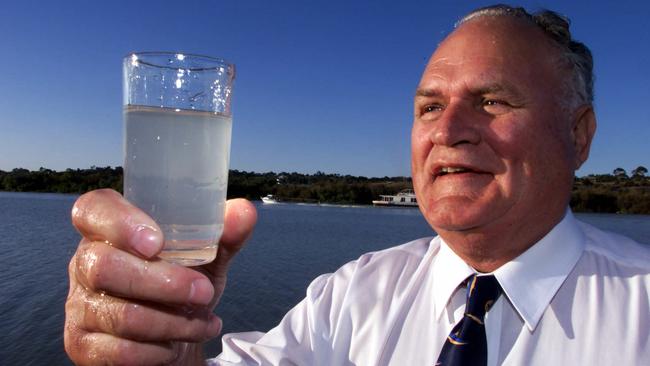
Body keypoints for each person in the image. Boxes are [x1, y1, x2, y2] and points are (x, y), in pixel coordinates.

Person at [64, 4, 650, 365]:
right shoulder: (349, 297)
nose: (447, 130)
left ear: (579, 136)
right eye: (428, 108)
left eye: (492, 101)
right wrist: (167, 348)